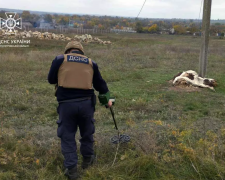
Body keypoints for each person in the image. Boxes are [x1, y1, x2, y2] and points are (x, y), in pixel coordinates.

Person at [48, 41, 112, 179]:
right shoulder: (91, 63)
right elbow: (100, 84)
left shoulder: (60, 59)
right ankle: (88, 160)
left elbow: (51, 79)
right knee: (87, 133)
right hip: (86, 105)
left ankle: (71, 170)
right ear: (81, 51)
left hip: (66, 105)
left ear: (68, 51)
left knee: (67, 136)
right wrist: (108, 100)